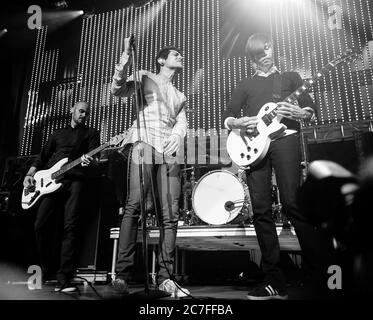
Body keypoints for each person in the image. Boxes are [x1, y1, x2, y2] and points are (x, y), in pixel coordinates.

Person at [223, 33, 330, 300]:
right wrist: (238, 123)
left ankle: (318, 274)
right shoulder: (245, 84)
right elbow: (227, 115)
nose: (266, 53)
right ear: (253, 56)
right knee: (261, 210)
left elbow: (311, 109)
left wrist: (301, 113)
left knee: (294, 203)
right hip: (254, 148)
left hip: (285, 139)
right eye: (261, 50)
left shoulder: (291, 78)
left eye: (269, 48)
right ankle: (273, 279)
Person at [110, 36, 189, 297]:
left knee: (171, 214)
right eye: (175, 54)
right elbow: (117, 89)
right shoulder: (144, 76)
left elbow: (181, 122)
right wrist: (125, 55)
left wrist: (177, 136)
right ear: (161, 60)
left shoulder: (180, 95)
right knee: (134, 206)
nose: (180, 56)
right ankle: (122, 275)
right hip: (144, 143)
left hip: (168, 152)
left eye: (180, 54)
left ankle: (166, 278)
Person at [23, 101, 100, 292]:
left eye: (87, 113)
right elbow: (42, 157)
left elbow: (96, 162)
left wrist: (88, 162)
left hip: (75, 181)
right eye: (81, 111)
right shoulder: (57, 134)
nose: (84, 115)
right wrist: (29, 175)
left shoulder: (91, 133)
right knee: (40, 225)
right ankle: (47, 269)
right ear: (72, 110)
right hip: (49, 182)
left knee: (70, 227)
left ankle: (64, 279)